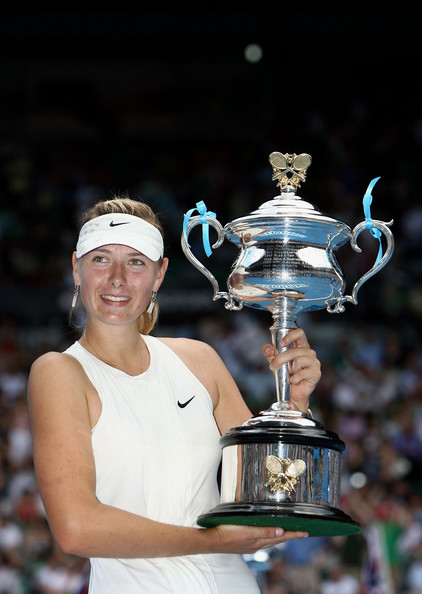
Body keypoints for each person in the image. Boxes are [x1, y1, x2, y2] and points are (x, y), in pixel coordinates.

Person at [27, 197, 322, 594]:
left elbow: (273, 494)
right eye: (101, 259)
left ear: (159, 274)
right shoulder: (58, 372)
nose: (117, 278)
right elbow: (76, 529)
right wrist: (214, 541)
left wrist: (296, 404)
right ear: (76, 268)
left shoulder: (199, 361)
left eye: (136, 262)